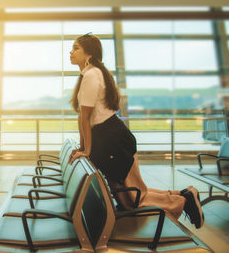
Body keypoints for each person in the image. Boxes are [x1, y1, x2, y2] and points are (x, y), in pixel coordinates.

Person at [68, 34, 204, 228]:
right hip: (111, 138)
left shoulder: (91, 75)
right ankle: (184, 195)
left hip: (111, 140)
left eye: (76, 48)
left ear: (89, 53)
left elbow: (85, 118)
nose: (71, 52)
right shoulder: (93, 73)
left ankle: (183, 201)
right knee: (135, 193)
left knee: (133, 199)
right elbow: (84, 119)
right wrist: (83, 148)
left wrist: (86, 150)